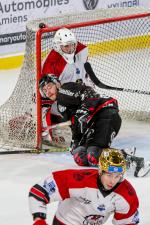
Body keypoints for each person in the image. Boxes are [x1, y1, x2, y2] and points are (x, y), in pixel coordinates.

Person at [29, 148, 139, 225]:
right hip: (65, 222)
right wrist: (39, 220)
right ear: (100, 170)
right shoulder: (79, 179)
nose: (113, 181)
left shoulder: (126, 193)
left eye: (117, 176)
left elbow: (128, 221)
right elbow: (39, 191)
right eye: (109, 175)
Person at [39, 74, 121, 167]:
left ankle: (127, 158)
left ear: (57, 84)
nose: (48, 92)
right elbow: (76, 125)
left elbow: (90, 93)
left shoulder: (64, 89)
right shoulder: (60, 106)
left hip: (105, 113)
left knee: (94, 154)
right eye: (45, 91)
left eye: (49, 87)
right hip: (94, 124)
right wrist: (75, 141)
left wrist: (84, 110)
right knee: (80, 157)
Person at [41, 27, 93, 143]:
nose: (70, 49)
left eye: (72, 45)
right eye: (66, 46)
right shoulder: (50, 64)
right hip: (59, 100)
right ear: (58, 46)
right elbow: (47, 96)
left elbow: (85, 76)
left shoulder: (81, 51)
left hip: (77, 95)